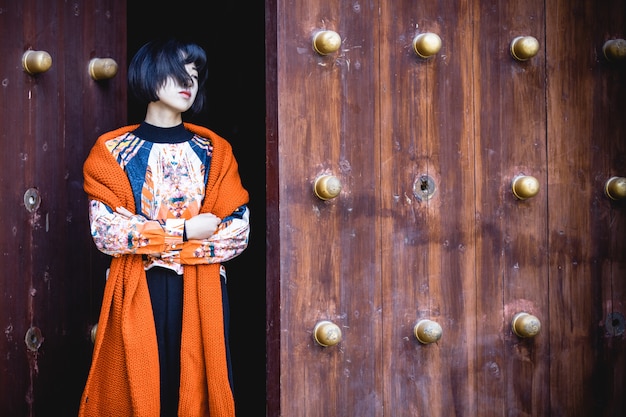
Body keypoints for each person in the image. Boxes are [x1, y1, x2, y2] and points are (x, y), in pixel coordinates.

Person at [79, 38, 250, 417]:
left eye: (195, 75)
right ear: (150, 75)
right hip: (139, 289)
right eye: (179, 72)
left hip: (200, 291)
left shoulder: (213, 151)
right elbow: (106, 232)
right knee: (140, 388)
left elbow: (236, 234)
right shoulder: (113, 151)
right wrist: (186, 233)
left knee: (193, 391)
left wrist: (144, 234)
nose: (189, 81)